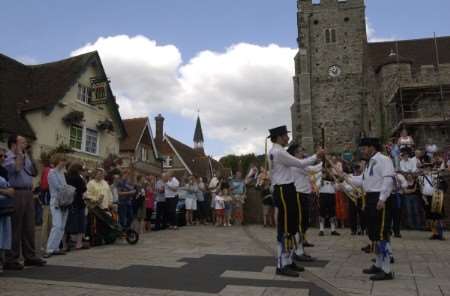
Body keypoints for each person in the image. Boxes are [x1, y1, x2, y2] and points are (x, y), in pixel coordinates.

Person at [268, 125, 324, 277]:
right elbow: (300, 163)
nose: (287, 138)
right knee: (285, 227)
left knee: (290, 226)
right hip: (284, 189)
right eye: (286, 135)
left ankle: (287, 260)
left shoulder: (276, 151)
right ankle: (282, 264)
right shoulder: (278, 152)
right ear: (279, 137)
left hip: (287, 189)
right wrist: (316, 156)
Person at [345, 137, 395, 281]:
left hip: (379, 198)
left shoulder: (384, 160)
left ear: (372, 148)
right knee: (374, 234)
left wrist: (382, 198)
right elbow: (362, 181)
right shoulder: (369, 163)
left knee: (381, 233)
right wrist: (345, 176)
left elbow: (388, 179)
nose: (362, 151)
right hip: (370, 198)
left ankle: (386, 270)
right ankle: (378, 264)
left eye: (364, 148)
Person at [4, 134, 46, 270]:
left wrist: (31, 156)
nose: (25, 144)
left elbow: (34, 172)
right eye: (22, 142)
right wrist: (19, 155)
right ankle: (11, 258)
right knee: (15, 226)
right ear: (13, 144)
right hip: (16, 192)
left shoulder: (26, 155)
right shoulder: (8, 156)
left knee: (29, 225)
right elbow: (15, 169)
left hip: (28, 192)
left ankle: (30, 256)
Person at [287, 143, 321, 261]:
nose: (304, 153)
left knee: (304, 223)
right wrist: (322, 159)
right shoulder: (296, 164)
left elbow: (313, 169)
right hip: (298, 195)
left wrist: (322, 160)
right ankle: (298, 251)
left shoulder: (299, 163)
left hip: (303, 194)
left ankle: (299, 249)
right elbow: (313, 169)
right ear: (295, 153)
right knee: (300, 224)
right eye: (301, 151)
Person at [44, 153, 70, 258]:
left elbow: (64, 186)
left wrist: (68, 189)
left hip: (64, 201)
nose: (64, 162)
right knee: (57, 225)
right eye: (62, 160)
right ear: (57, 161)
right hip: (56, 201)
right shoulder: (52, 173)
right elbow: (58, 187)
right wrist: (69, 189)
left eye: (64, 160)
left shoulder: (62, 173)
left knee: (62, 226)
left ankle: (55, 248)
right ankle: (49, 248)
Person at [418, 163, 447, 240]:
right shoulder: (420, 178)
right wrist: (423, 198)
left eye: (428, 168)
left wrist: (440, 191)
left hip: (436, 197)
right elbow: (419, 189)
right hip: (426, 198)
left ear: (430, 168)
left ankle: (440, 235)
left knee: (438, 216)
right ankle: (434, 234)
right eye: (424, 168)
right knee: (430, 217)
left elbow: (444, 185)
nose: (426, 169)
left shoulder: (436, 176)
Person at [85, 168, 114, 245]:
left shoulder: (105, 182)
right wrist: (96, 199)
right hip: (95, 208)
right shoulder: (91, 183)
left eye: (102, 174)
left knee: (105, 223)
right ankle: (96, 240)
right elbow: (87, 195)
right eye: (99, 174)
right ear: (95, 174)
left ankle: (106, 238)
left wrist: (111, 201)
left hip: (105, 207)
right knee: (96, 224)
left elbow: (109, 193)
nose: (101, 175)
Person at [65, 162, 87, 250]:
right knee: (81, 223)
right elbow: (84, 189)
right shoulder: (78, 178)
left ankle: (65, 244)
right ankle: (79, 243)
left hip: (69, 202)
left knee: (68, 223)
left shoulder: (66, 177)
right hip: (79, 202)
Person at [0, 148, 14, 273]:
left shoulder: (3, 170)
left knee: (4, 233)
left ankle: (1, 260)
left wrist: (6, 191)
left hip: (3, 206)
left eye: (4, 156)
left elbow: (11, 189)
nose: (3, 158)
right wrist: (5, 191)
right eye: (1, 156)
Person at [317, 166, 340, 236]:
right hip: (323, 196)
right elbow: (316, 186)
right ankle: (321, 230)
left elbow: (337, 188)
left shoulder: (333, 179)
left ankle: (333, 230)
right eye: (327, 170)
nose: (328, 172)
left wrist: (334, 184)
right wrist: (321, 182)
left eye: (330, 170)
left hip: (331, 196)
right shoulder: (320, 177)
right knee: (322, 213)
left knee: (332, 213)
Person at [38, 154, 52, 252]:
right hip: (49, 198)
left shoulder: (45, 170)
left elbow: (41, 184)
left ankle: (45, 244)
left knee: (46, 223)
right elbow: (44, 185)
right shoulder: (49, 170)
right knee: (47, 223)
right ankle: (45, 245)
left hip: (46, 198)